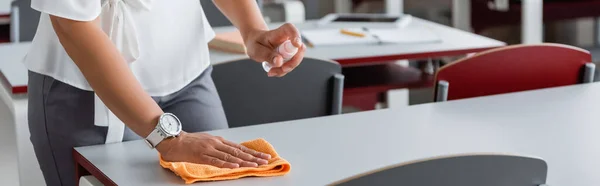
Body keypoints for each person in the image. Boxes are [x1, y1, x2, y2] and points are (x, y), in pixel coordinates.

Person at [24, 0, 306, 185]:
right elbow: (73, 25)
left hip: (188, 75)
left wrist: (252, 28)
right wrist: (167, 139)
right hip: (86, 92)